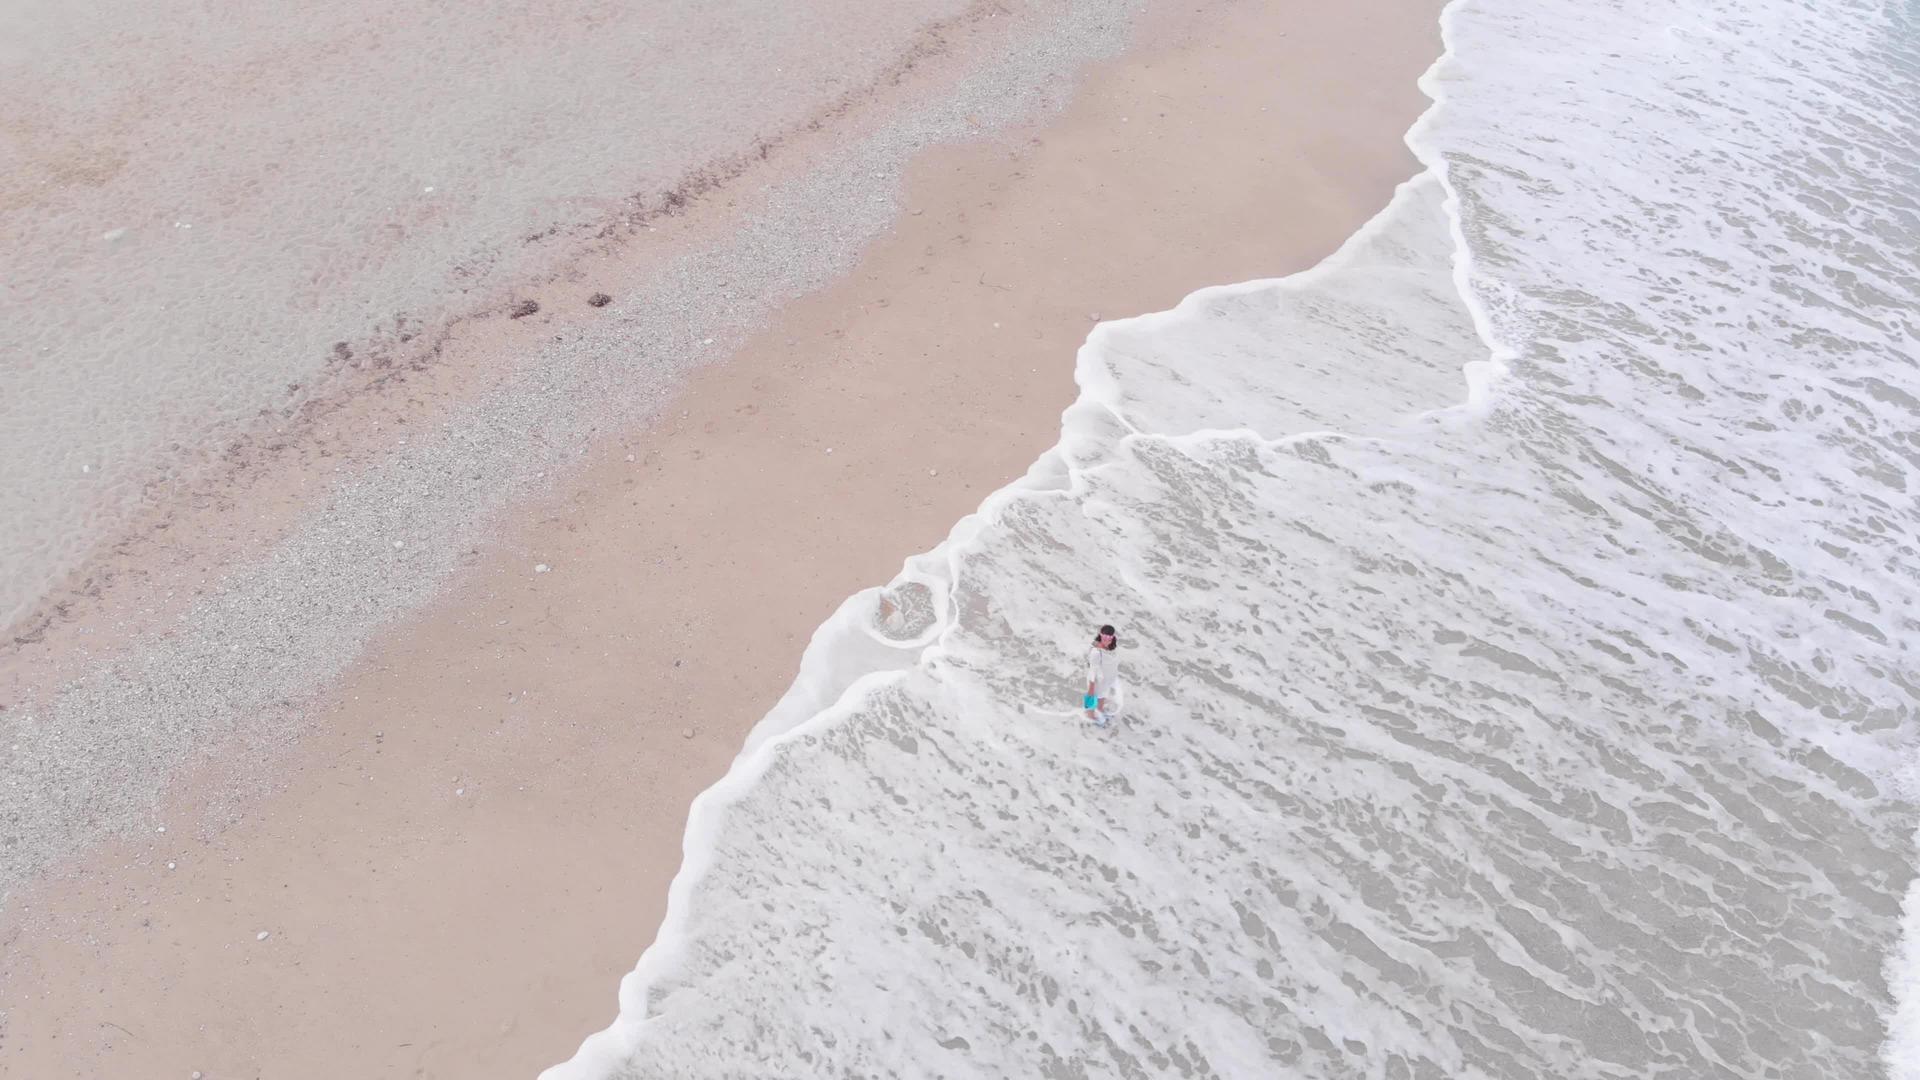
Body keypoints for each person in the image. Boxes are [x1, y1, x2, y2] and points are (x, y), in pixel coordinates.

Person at [1083, 624, 1121, 728]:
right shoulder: (1096, 652)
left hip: (1105, 680)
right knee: (1092, 698)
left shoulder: (1111, 648)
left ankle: (1099, 714)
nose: (1106, 640)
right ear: (1101, 635)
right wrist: (1091, 688)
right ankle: (1090, 718)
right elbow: (1092, 671)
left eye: (1109, 638)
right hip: (1096, 680)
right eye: (1104, 637)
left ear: (1112, 637)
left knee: (1102, 698)